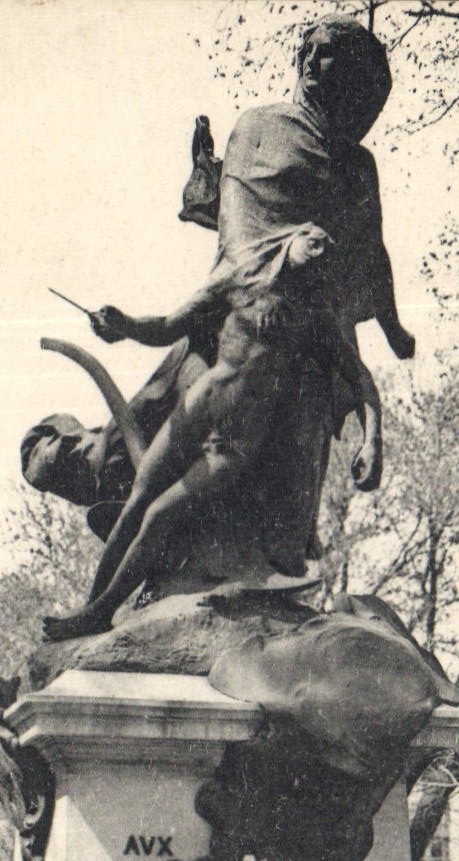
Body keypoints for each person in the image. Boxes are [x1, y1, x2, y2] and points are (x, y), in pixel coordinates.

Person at [23, 14, 413, 591]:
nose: (311, 62)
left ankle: (227, 578)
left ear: (355, 78)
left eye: (329, 55)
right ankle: (69, 458)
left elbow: (369, 254)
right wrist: (211, 179)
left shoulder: (358, 168)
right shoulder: (258, 125)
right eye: (310, 50)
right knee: (144, 447)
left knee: (280, 505)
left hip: (306, 339)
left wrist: (393, 326)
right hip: (232, 321)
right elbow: (243, 219)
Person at [42, 224, 382, 640]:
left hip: (235, 442)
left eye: (328, 246)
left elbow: (361, 379)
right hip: (199, 406)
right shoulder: (239, 275)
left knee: (159, 514)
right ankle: (92, 608)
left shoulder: (316, 314)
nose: (321, 244)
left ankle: (104, 610)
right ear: (290, 236)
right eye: (314, 236)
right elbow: (169, 325)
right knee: (137, 502)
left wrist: (373, 440)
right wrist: (125, 326)